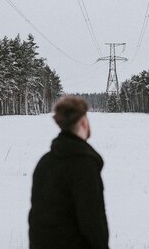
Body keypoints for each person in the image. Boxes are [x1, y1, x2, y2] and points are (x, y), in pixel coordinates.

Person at [28, 95, 109, 249]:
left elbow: (37, 218)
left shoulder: (45, 162)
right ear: (84, 123)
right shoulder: (83, 164)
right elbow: (93, 222)